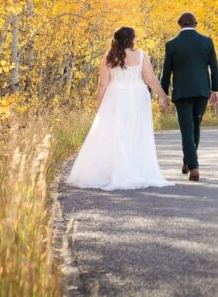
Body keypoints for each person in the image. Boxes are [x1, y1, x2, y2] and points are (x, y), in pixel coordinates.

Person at [66, 26, 173, 191]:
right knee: (137, 133)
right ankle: (135, 170)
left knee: (115, 133)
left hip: (115, 97)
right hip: (138, 97)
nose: (136, 39)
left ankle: (116, 171)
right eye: (135, 37)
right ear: (131, 39)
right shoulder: (141, 55)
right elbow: (150, 79)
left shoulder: (109, 57)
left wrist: (99, 106)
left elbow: (103, 84)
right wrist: (162, 95)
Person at [161, 12, 218, 182]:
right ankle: (190, 162)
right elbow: (214, 69)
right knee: (195, 126)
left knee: (186, 128)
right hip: (202, 91)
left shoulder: (172, 44)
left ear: (179, 24)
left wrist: (163, 94)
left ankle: (192, 165)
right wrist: (215, 90)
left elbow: (167, 72)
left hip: (182, 93)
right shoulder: (206, 41)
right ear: (196, 23)